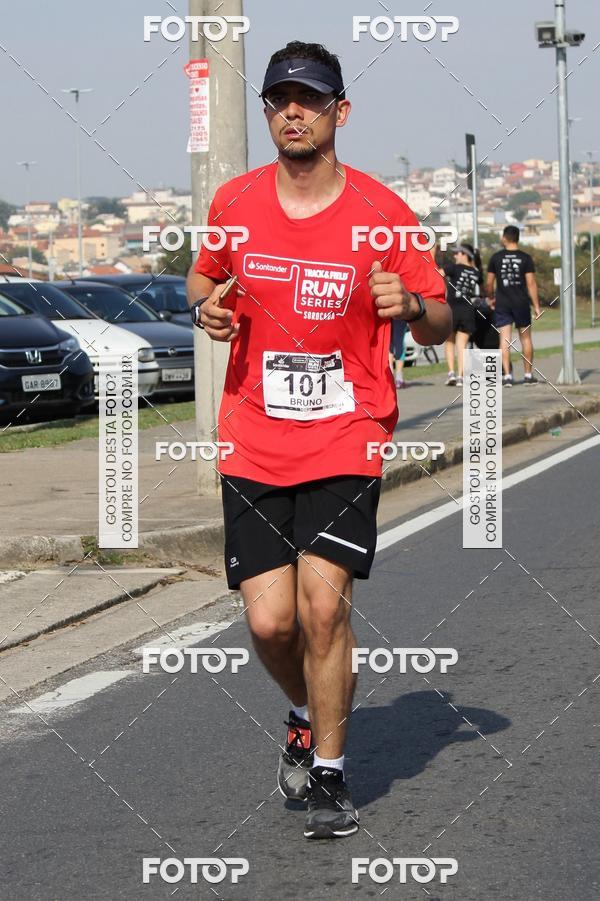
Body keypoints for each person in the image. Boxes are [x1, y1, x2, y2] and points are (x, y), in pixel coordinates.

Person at [186, 41, 450, 840]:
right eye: (279, 99)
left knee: (323, 607)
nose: (292, 111)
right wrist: (207, 308)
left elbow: (441, 318)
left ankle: (331, 774)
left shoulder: (383, 214)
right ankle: (303, 712)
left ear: (341, 110)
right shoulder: (234, 203)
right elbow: (202, 277)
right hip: (255, 435)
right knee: (270, 622)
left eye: (309, 97)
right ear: (267, 111)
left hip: (346, 431)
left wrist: (407, 304)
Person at [486, 225, 542, 386]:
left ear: (505, 238)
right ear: (517, 238)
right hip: (522, 303)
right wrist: (536, 306)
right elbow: (531, 283)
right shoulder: (525, 258)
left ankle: (507, 377)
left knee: (504, 339)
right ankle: (528, 375)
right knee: (526, 338)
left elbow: (489, 283)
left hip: (503, 303)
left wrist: (490, 298)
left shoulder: (496, 258)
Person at [442, 244, 482, 387]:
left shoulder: (453, 268)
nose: (455, 256)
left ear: (464, 254)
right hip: (468, 309)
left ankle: (451, 373)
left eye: (457, 253)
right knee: (462, 344)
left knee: (449, 341)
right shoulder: (476, 272)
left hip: (452, 308)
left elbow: (437, 273)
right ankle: (460, 376)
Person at [390, 318, 408, 388]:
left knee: (389, 343)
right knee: (399, 343)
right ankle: (398, 378)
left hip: (386, 313)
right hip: (399, 313)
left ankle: (392, 377)